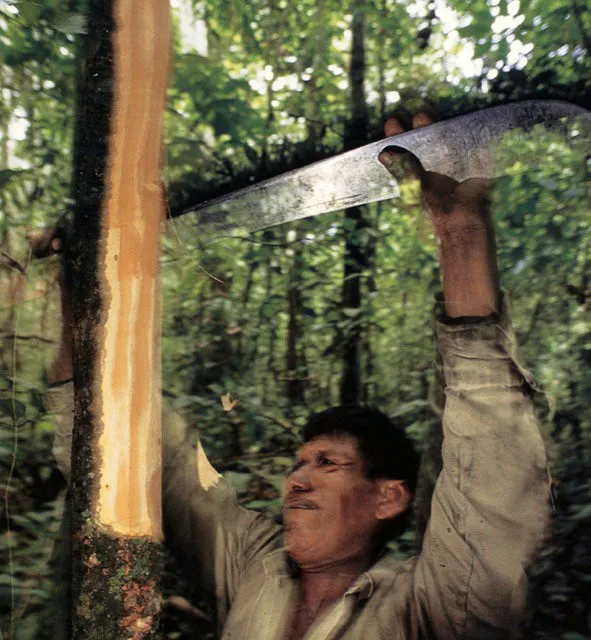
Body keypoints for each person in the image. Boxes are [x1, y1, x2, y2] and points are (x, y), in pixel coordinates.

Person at [45, 112, 549, 639]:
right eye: (300, 463)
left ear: (387, 497)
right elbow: (158, 467)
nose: (295, 480)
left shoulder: (429, 610)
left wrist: (462, 237)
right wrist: (68, 301)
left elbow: (492, 472)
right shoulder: (253, 570)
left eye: (328, 463)